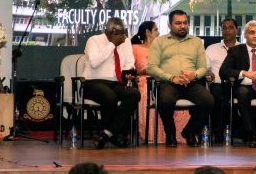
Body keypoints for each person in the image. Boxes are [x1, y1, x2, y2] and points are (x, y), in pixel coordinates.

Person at [148, 10, 214, 147]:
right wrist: (171, 77)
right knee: (165, 101)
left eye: (185, 23)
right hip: (169, 82)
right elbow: (152, 68)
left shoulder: (196, 42)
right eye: (178, 23)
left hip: (191, 82)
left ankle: (190, 131)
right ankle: (170, 134)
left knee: (208, 101)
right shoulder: (159, 42)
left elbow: (203, 67)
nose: (182, 26)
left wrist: (193, 75)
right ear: (169, 24)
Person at [83, 17, 140, 149]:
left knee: (134, 94)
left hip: (115, 83)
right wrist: (112, 45)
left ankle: (107, 133)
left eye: (121, 34)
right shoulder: (94, 40)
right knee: (109, 96)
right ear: (107, 32)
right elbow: (94, 63)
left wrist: (129, 73)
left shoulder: (125, 42)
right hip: (92, 82)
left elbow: (129, 63)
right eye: (115, 35)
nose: (119, 37)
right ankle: (114, 136)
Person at [131, 20, 189, 144]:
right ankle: (153, 135)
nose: (159, 32)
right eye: (156, 30)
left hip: (164, 80)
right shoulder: (135, 48)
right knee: (147, 95)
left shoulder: (162, 48)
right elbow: (132, 71)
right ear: (148, 32)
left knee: (172, 94)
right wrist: (147, 71)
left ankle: (177, 134)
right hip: (145, 81)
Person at [205, 17, 239, 144]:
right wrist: (207, 72)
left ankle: (238, 132)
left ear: (237, 30)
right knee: (217, 96)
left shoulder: (242, 48)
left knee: (239, 96)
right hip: (217, 83)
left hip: (237, 84)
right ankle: (217, 132)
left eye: (231, 27)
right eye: (224, 28)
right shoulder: (211, 48)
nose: (227, 31)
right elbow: (205, 66)